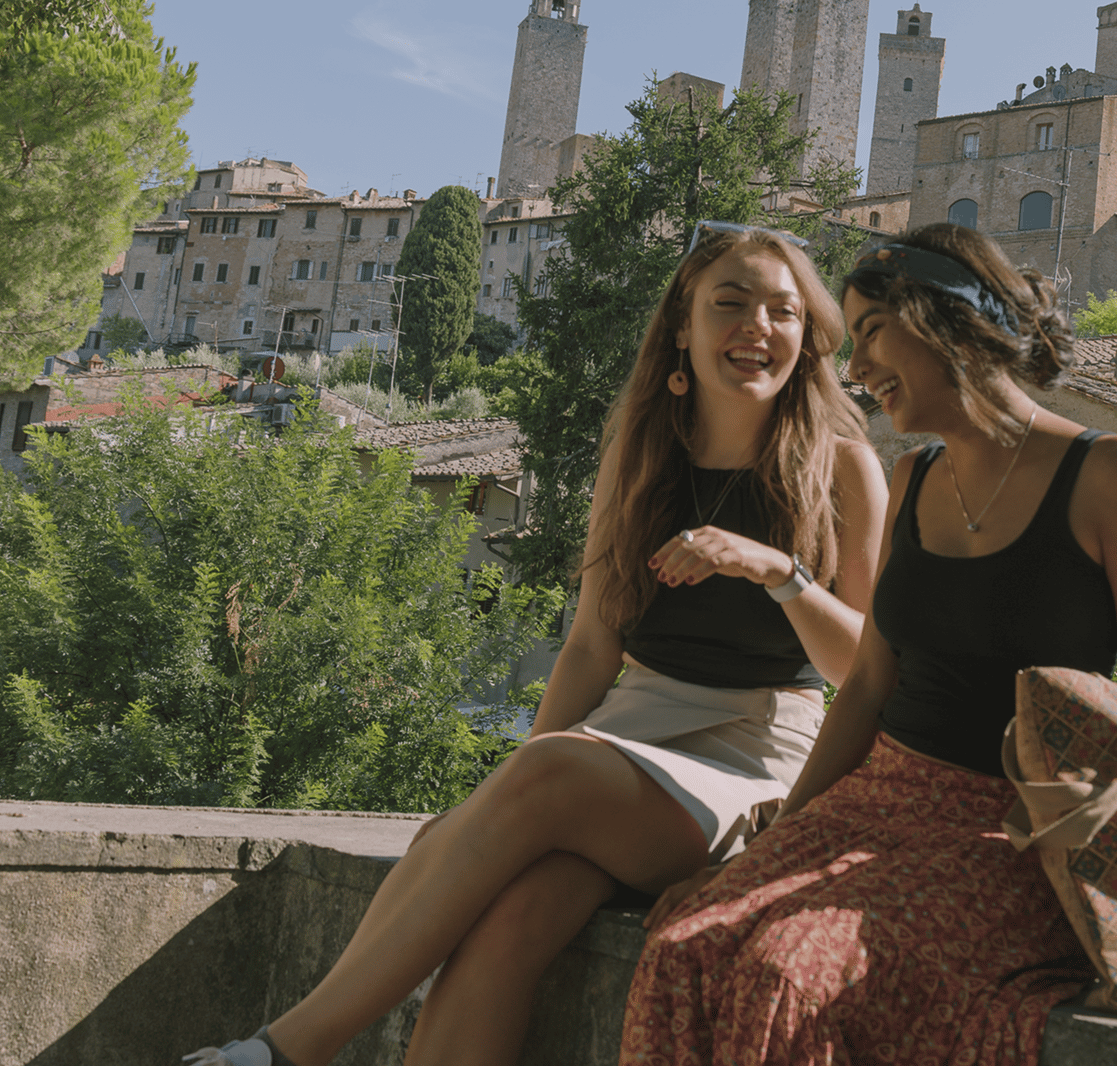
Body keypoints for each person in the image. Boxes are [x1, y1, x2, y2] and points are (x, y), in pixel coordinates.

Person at [185, 221, 887, 1066]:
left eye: (783, 311)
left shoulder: (844, 468)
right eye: (729, 305)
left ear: (808, 337)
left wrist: (779, 573)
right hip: (627, 733)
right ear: (681, 328)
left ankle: (284, 1052)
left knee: (535, 779)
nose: (758, 328)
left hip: (759, 754)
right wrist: (509, 799)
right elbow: (592, 645)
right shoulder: (640, 454)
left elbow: (867, 667)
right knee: (506, 916)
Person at [620, 222, 1117, 1066]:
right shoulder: (913, 478)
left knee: (788, 973)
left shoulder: (1116, 474)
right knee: (679, 945)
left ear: (947, 321)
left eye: (875, 334)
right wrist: (776, 846)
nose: (855, 370)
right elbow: (867, 688)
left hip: (1012, 831)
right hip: (878, 801)